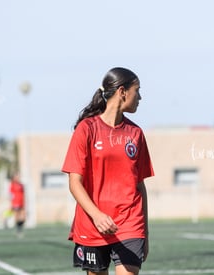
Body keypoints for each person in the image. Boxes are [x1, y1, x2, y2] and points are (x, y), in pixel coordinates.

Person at [62, 67, 154, 275]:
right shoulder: (86, 129)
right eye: (137, 90)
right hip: (92, 224)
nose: (140, 97)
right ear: (122, 91)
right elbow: (74, 182)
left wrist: (145, 233)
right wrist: (97, 216)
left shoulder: (136, 133)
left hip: (130, 223)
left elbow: (140, 185)